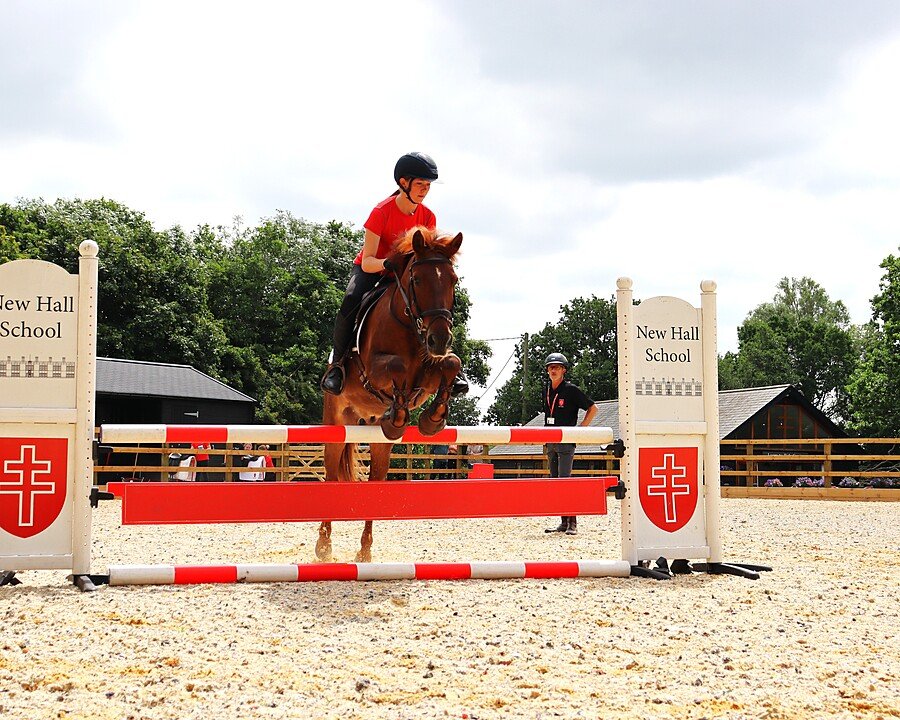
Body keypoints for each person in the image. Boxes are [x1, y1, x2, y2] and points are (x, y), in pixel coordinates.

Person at [320, 152, 468, 398]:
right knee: (350, 300)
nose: (425, 190)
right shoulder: (380, 212)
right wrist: (389, 263)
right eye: (420, 184)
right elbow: (367, 261)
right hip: (376, 268)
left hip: (409, 275)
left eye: (428, 185)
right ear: (403, 183)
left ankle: (448, 359)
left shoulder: (428, 216)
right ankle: (337, 365)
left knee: (438, 302)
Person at [542, 352, 597, 536]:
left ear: (564, 370)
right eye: (550, 367)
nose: (553, 370)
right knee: (555, 483)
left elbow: (593, 408)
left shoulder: (571, 390)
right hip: (551, 440)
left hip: (566, 441)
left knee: (566, 481)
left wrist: (581, 429)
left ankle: (573, 521)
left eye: (556, 367)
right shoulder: (546, 390)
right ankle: (563, 522)